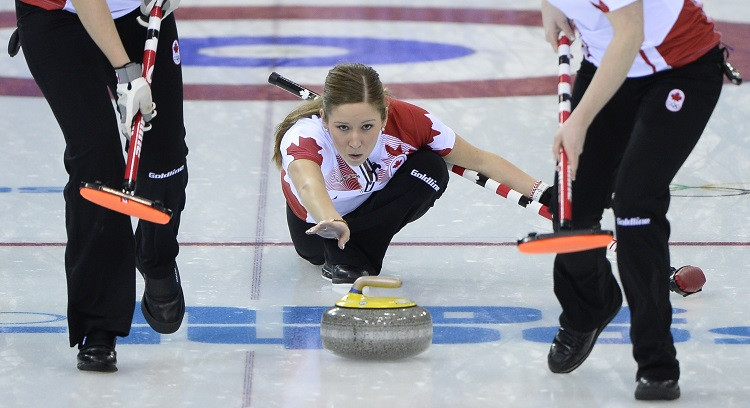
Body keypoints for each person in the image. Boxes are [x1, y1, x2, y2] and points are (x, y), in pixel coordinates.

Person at [539, 0, 729, 400]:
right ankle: (588, 308)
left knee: (635, 204)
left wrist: (580, 120)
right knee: (572, 202)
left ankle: (656, 363)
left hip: (680, 68)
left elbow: (630, 34)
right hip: (608, 64)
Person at [14, 0, 188, 372]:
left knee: (165, 157)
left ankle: (155, 258)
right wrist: (126, 71)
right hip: (58, 18)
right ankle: (98, 327)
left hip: (138, 12)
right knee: (96, 160)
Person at [272, 62, 553, 285]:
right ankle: (340, 252)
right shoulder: (304, 135)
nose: (355, 141)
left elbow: (479, 160)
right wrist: (331, 220)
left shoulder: (411, 122)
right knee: (315, 253)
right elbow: (308, 184)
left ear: (384, 115)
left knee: (431, 167)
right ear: (324, 118)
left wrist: (546, 194)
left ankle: (352, 259)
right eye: (343, 127)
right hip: (317, 224)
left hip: (368, 209)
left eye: (367, 126)